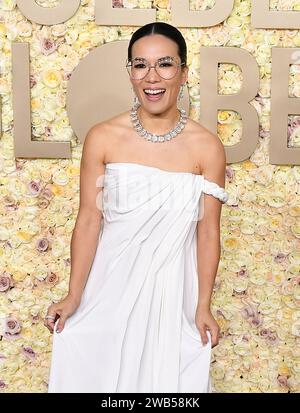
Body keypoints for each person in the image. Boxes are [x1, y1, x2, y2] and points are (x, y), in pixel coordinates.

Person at [45, 21, 228, 393]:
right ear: (130, 73)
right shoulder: (103, 137)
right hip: (109, 289)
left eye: (164, 64)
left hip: (173, 296)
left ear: (183, 72)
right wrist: (74, 295)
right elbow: (89, 220)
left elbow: (207, 230)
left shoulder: (207, 147)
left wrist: (203, 304)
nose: (152, 76)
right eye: (140, 65)